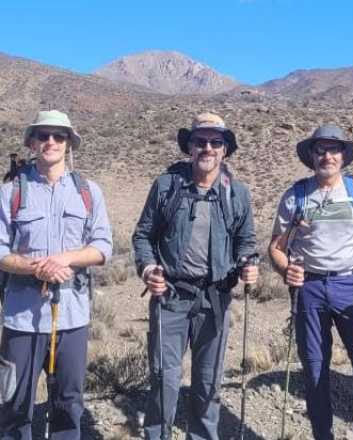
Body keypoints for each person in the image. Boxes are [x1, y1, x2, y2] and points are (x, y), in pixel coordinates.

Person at [268, 123, 353, 440]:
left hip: (350, 286)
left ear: (343, 156)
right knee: (315, 368)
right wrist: (286, 270)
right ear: (312, 155)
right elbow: (275, 248)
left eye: (333, 150)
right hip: (309, 290)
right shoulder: (295, 195)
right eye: (321, 150)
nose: (327, 156)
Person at [0, 110, 113, 440]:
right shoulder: (12, 191)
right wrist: (35, 267)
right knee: (16, 406)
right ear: (32, 143)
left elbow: (102, 247)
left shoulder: (89, 192)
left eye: (59, 136)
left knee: (68, 406)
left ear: (69, 143)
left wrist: (64, 259)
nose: (51, 142)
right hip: (22, 319)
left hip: (72, 318)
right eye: (44, 135)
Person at [132, 112, 258, 440]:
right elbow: (143, 235)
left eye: (216, 142)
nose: (208, 148)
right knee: (164, 379)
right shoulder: (167, 186)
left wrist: (248, 263)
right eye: (200, 141)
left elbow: (246, 240)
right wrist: (148, 269)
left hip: (215, 298)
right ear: (190, 146)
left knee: (208, 381)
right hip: (171, 296)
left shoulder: (237, 193)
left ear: (225, 150)